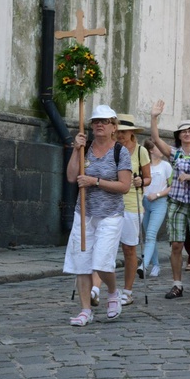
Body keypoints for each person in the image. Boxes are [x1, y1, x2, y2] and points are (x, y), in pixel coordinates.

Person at [64, 105, 132, 326]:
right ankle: (85, 310)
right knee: (81, 264)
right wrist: (76, 149)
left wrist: (95, 181)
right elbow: (72, 177)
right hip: (84, 213)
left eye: (104, 121)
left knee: (102, 263)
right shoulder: (85, 148)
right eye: (95, 121)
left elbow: (125, 186)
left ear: (113, 126)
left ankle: (113, 292)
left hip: (110, 214)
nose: (99, 125)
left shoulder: (119, 151)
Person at [150, 101, 190, 298]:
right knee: (176, 244)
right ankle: (177, 284)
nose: (187, 134)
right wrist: (154, 117)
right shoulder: (174, 153)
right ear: (179, 135)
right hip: (177, 202)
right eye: (184, 131)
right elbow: (155, 139)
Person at [113, 114, 151, 306]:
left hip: (132, 204)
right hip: (110, 203)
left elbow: (148, 178)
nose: (120, 135)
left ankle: (127, 291)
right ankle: (105, 290)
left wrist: (140, 181)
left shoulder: (140, 151)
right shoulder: (110, 149)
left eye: (124, 132)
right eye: (118, 131)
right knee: (107, 249)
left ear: (131, 133)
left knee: (129, 249)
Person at [138, 139, 172, 278]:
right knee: (149, 237)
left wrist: (158, 194)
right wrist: (141, 202)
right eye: (158, 147)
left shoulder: (166, 166)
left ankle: (143, 265)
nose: (162, 150)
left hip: (160, 202)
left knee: (151, 234)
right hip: (145, 203)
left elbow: (172, 187)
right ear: (151, 150)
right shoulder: (144, 166)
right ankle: (156, 265)